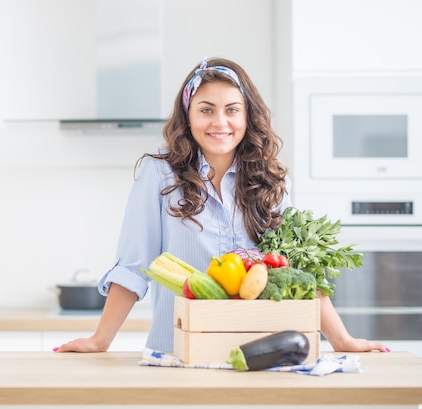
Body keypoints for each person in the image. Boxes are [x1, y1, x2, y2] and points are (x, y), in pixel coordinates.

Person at [55, 57, 389, 354]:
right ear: (188, 116)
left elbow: (296, 268)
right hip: (178, 353)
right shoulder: (158, 174)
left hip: (257, 354)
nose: (220, 122)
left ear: (247, 115)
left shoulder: (271, 180)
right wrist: (100, 340)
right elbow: (132, 266)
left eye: (231, 109)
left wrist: (341, 340)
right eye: (206, 110)